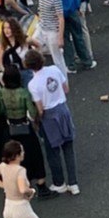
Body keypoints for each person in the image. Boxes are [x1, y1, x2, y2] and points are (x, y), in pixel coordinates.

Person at [26, 47, 79, 194]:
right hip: (63, 109)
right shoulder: (54, 69)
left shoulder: (33, 84)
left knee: (52, 151)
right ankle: (73, 182)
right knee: (69, 148)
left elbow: (40, 108)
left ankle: (59, 182)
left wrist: (36, 120)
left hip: (49, 116)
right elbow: (66, 89)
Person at [0, 64, 51, 197]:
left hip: (10, 128)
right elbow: (32, 111)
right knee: (35, 154)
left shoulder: (1, 93)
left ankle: (19, 185)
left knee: (14, 158)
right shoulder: (23, 92)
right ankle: (41, 186)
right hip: (25, 127)